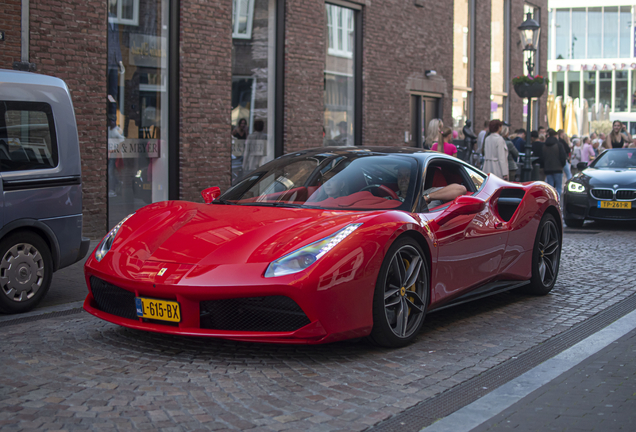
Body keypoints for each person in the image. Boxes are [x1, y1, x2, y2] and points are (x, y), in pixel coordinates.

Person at [542, 128, 567, 199]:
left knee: (550, 187)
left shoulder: (544, 145)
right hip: (558, 168)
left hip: (548, 168)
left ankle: (551, 200)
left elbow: (543, 157)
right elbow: (563, 156)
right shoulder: (559, 145)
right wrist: (562, 165)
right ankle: (557, 201)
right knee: (558, 187)